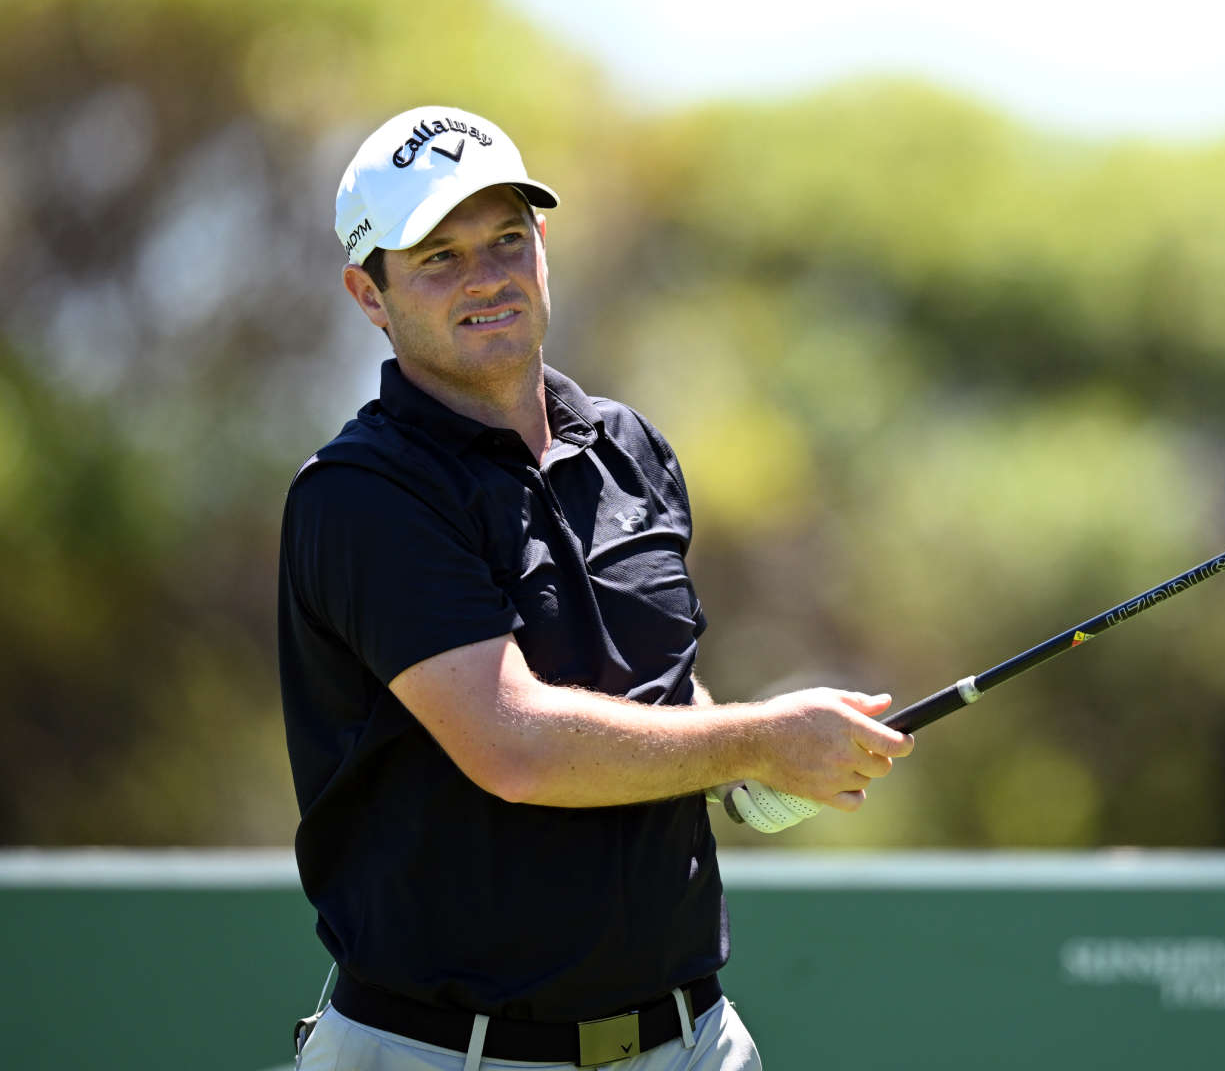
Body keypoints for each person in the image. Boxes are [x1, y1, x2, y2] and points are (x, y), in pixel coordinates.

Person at [278, 105, 913, 1071]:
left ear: (542, 245)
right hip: (446, 1053)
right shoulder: (363, 493)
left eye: (507, 239)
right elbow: (513, 744)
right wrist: (755, 740)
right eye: (439, 257)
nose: (487, 276)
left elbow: (658, 686)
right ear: (370, 294)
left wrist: (750, 772)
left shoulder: (630, 448)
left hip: (690, 1040)